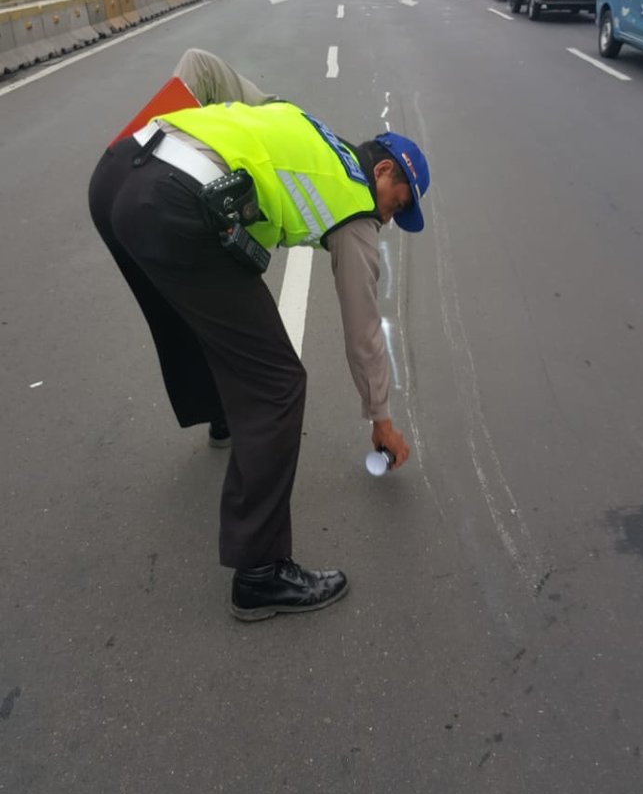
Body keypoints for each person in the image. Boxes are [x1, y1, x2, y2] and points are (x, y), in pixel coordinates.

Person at [88, 48, 430, 622]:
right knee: (277, 383)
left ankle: (223, 414)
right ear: (385, 173)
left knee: (190, 304)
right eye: (398, 206)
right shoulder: (356, 210)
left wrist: (143, 147)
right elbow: (364, 327)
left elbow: (200, 64)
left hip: (117, 172)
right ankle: (261, 572)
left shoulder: (296, 120)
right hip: (173, 206)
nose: (391, 220)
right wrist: (382, 420)